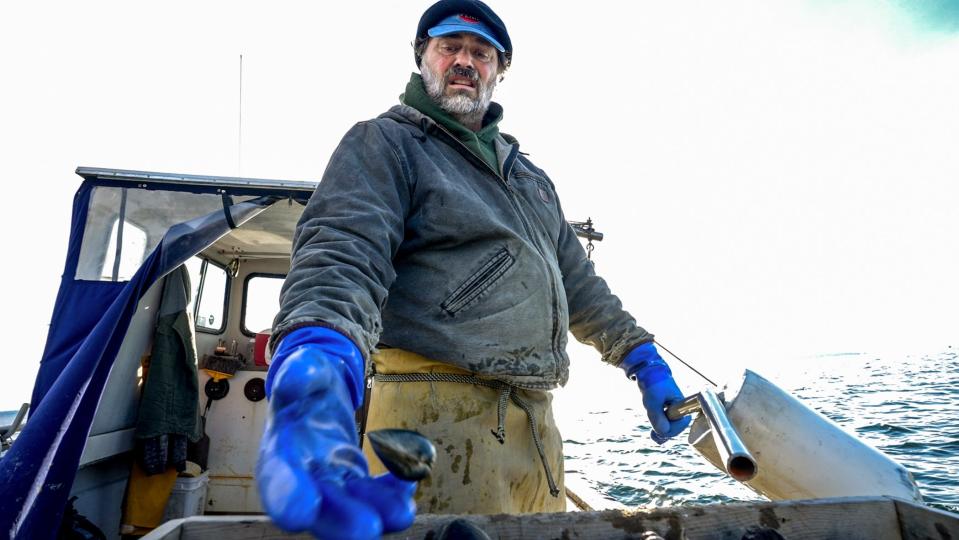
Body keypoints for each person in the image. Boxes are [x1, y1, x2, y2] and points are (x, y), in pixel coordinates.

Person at [256, 0, 692, 538]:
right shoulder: (386, 142)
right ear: (422, 58)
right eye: (450, 47)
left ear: (500, 70)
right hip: (433, 419)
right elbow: (344, 249)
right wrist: (319, 347)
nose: (465, 60)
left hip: (536, 428)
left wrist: (643, 360)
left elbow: (581, 287)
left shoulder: (530, 177)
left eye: (481, 53)